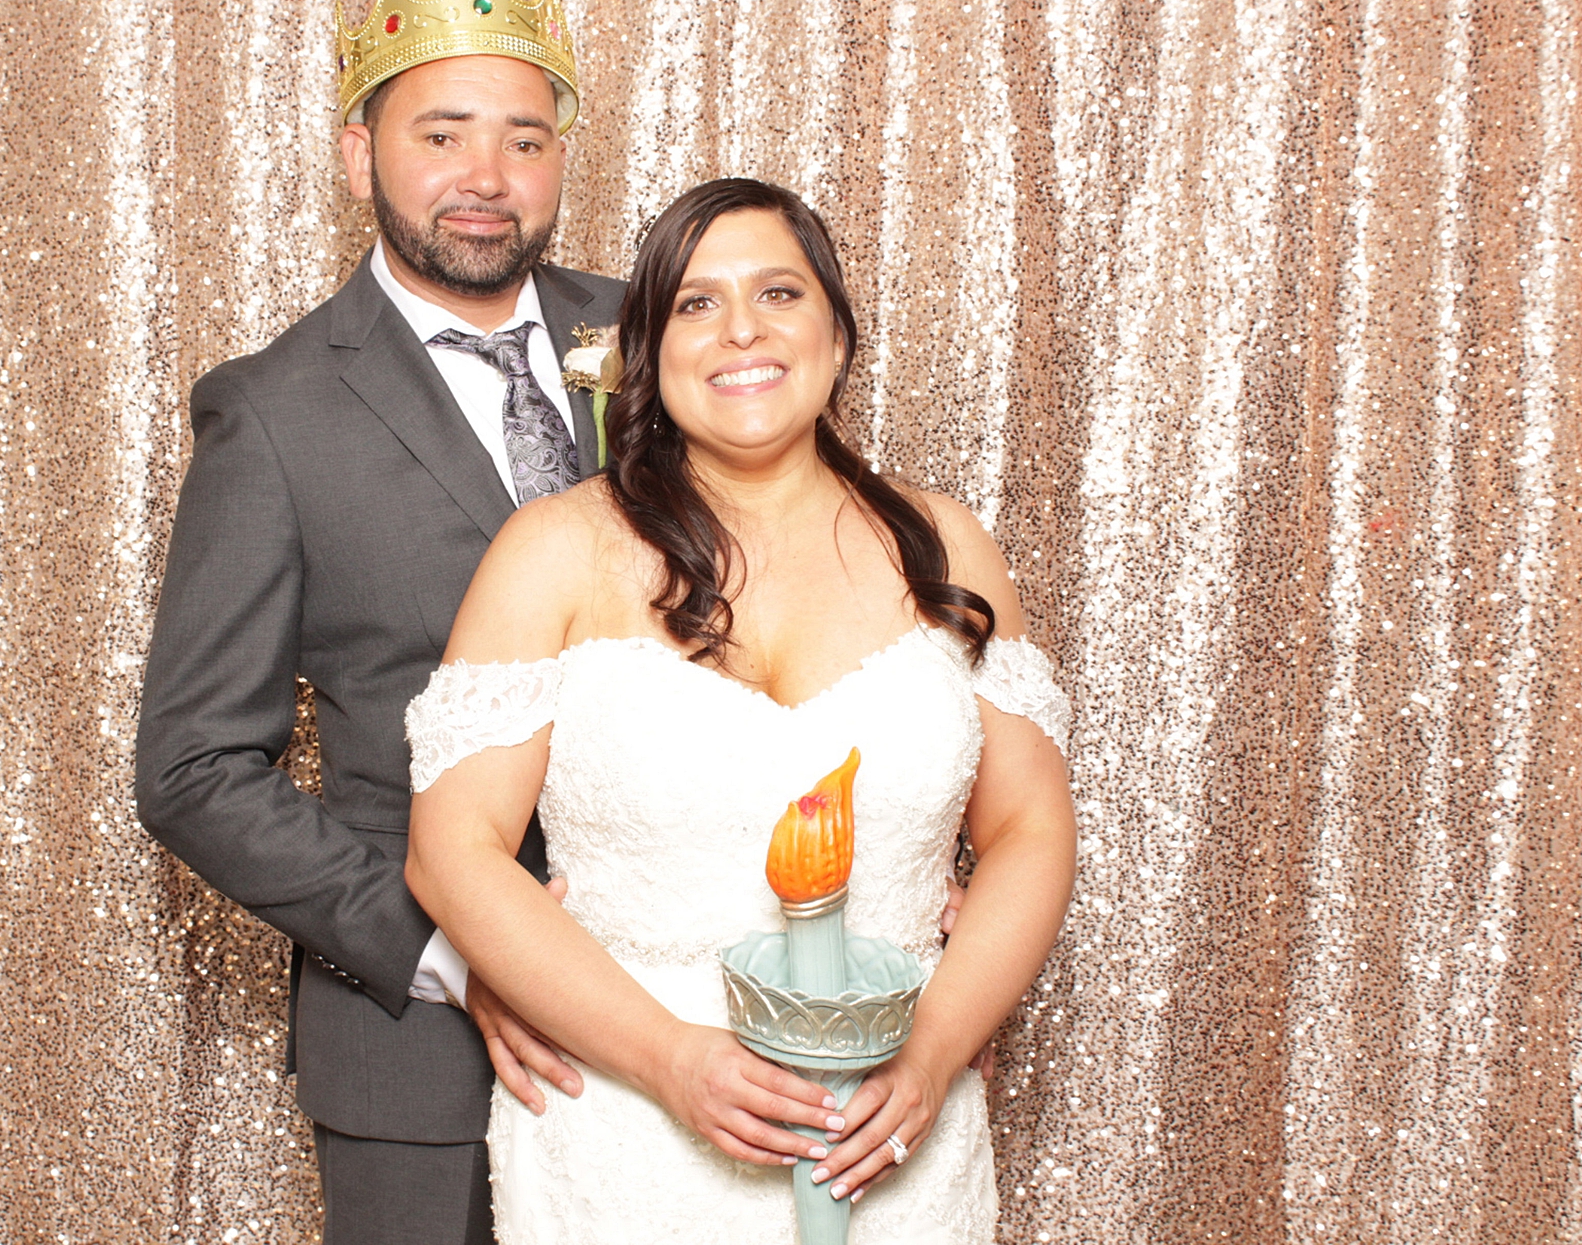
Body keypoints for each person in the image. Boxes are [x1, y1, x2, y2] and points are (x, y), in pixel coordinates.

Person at [404, 177, 1078, 1242]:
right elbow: (453, 852)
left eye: (778, 293)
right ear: (647, 349)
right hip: (624, 1134)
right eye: (694, 304)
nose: (741, 332)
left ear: (837, 333)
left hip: (892, 1130)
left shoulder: (945, 548)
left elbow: (1029, 830)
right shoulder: (553, 552)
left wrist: (935, 1048)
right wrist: (670, 1059)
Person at [134, 0, 619, 1245]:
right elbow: (192, 768)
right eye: (443, 134)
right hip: (427, 1057)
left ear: (563, 157)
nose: (485, 178)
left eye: (525, 139)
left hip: (693, 997)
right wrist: (461, 948)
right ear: (360, 157)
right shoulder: (277, 414)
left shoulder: (672, 337)